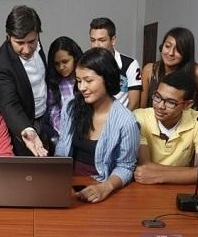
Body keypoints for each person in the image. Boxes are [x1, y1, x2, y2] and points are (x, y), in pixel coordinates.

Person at [55, 48, 140, 203]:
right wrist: (58, 178)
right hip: (67, 185)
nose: (82, 88)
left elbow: (126, 167)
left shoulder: (126, 121)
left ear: (107, 79)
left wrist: (105, 187)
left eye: (88, 81)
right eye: (79, 81)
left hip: (99, 186)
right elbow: (62, 145)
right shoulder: (71, 106)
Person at [0, 5, 48, 157]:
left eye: (32, 41)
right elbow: (9, 104)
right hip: (24, 123)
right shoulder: (1, 65)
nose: (27, 49)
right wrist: (27, 129)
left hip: (45, 116)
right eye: (20, 43)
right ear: (8, 37)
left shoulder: (37, 44)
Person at [134, 71, 198, 184]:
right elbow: (144, 166)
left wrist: (159, 176)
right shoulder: (139, 117)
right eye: (157, 97)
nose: (160, 106)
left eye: (170, 102)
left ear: (187, 105)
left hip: (180, 189)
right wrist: (193, 172)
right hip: (144, 188)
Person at [140, 27, 198, 112]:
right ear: (162, 46)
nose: (170, 53)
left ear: (186, 52)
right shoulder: (149, 70)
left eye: (178, 50)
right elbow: (142, 109)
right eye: (167, 46)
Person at [89, 17, 141, 110]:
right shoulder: (86, 65)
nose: (96, 45)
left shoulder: (130, 64)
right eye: (93, 40)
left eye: (102, 40)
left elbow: (134, 104)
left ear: (113, 40)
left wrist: (119, 122)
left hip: (121, 120)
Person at [45, 36, 82, 141]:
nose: (61, 67)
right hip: (64, 137)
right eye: (57, 64)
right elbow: (54, 113)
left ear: (75, 58)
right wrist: (64, 135)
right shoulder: (54, 83)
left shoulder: (86, 79)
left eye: (65, 61)